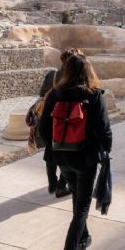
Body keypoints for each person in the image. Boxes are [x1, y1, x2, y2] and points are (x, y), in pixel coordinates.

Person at [38, 54, 113, 250]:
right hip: (86, 159)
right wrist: (105, 149)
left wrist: (54, 148)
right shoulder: (93, 95)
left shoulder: (55, 95)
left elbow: (43, 127)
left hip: (62, 158)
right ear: (88, 72)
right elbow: (104, 130)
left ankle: (84, 237)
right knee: (81, 207)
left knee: (78, 198)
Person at [39, 49, 86, 198]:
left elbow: (42, 95)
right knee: (68, 153)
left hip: (51, 123)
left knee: (51, 152)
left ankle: (52, 183)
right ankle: (60, 185)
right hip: (69, 125)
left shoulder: (51, 76)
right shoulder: (80, 83)